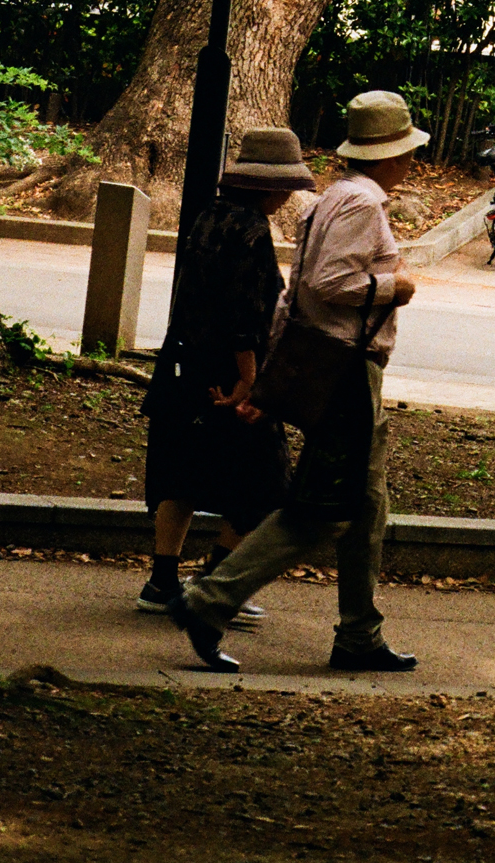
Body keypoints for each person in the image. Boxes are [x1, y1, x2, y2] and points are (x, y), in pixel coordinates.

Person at [170, 89, 426, 678]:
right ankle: (208, 600)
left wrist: (269, 383)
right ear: (389, 155)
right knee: (322, 508)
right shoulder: (362, 206)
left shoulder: (329, 201)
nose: (410, 160)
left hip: (329, 366)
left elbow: (293, 295)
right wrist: (395, 288)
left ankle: (360, 633)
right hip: (345, 371)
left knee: (366, 506)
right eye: (407, 150)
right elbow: (330, 285)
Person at [137, 125, 313, 616]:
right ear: (267, 186)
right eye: (285, 188)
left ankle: (162, 581)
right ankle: (215, 584)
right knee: (265, 483)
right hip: (230, 375)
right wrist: (250, 381)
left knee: (181, 475)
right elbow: (244, 314)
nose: (286, 197)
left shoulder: (206, 218)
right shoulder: (252, 232)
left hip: (187, 365)